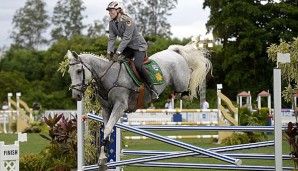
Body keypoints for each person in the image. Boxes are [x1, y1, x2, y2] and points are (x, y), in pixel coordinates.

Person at [106, 1, 159, 100]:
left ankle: (152, 88)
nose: (109, 13)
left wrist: (118, 52)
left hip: (139, 47)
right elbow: (112, 38)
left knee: (138, 65)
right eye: (109, 11)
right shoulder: (112, 23)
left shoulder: (128, 21)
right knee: (115, 62)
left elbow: (126, 38)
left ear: (119, 11)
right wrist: (109, 52)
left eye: (111, 10)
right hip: (129, 47)